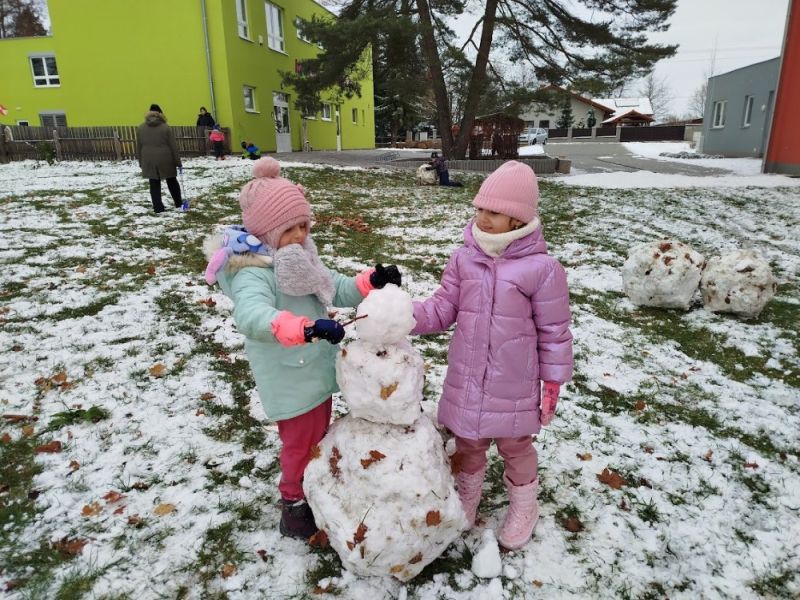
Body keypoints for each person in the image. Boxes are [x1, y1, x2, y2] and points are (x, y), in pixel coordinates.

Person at [203, 157, 402, 539]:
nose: (299, 234)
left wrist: (370, 281)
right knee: (300, 442)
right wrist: (307, 328)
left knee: (315, 436)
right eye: (289, 228)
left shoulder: (296, 256)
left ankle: (312, 482)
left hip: (311, 369)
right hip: (290, 375)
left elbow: (331, 286)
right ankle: (293, 504)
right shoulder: (252, 271)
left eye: (304, 226)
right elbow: (252, 315)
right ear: (266, 231)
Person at [410, 160, 573, 550]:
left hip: (512, 381)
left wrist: (552, 382)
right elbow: (441, 308)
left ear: (517, 220)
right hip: (467, 377)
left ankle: (524, 504)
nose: (482, 217)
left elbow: (554, 331)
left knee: (516, 446)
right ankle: (468, 495)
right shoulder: (464, 259)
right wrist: (402, 315)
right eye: (479, 209)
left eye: (493, 212)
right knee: (469, 443)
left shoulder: (543, 269)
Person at [136, 104, 183, 213]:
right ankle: (178, 203)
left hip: (148, 158)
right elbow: (173, 146)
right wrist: (178, 162)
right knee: (171, 180)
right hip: (165, 158)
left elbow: (139, 146)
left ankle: (158, 207)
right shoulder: (165, 127)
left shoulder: (141, 128)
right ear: (160, 114)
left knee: (154, 182)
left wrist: (141, 162)